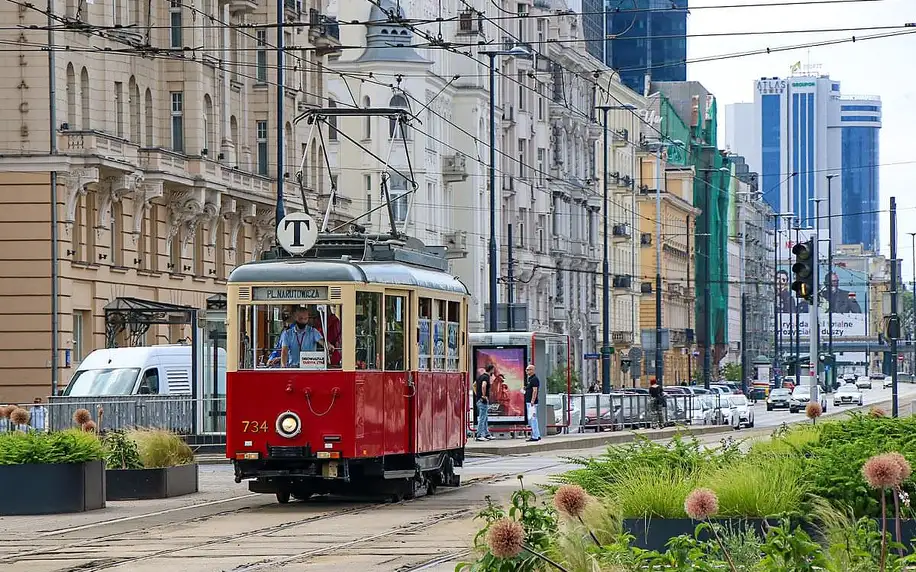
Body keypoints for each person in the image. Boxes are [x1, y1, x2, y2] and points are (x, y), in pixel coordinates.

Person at [474, 364, 494, 441]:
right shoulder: (486, 377)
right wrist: (484, 395)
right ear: (491, 370)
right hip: (483, 400)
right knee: (482, 418)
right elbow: (483, 385)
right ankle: (479, 435)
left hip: (479, 400)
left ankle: (486, 434)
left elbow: (474, 385)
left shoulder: (481, 376)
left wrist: (477, 395)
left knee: (485, 417)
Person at [524, 364, 541, 442]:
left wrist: (532, 401)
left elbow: (535, 390)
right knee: (533, 419)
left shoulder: (534, 379)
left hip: (531, 403)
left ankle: (534, 436)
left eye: (528, 369)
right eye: (527, 369)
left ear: (533, 370)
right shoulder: (529, 379)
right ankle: (537, 435)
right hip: (529, 401)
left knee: (532, 419)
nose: (527, 371)